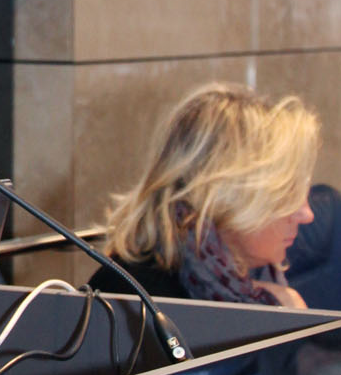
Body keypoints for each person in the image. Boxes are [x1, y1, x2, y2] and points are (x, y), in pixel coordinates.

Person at [98, 84, 320, 307]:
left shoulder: (248, 281)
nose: (306, 214)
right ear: (227, 194)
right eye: (287, 192)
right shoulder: (134, 300)